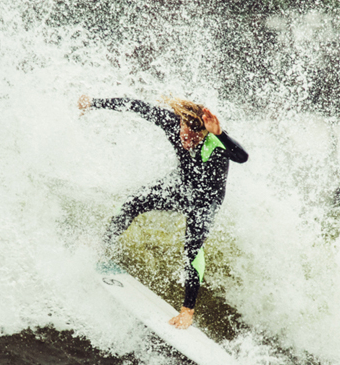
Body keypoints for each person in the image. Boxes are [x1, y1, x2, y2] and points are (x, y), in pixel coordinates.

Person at [78, 94, 248, 329]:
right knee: (133, 203)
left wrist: (220, 133)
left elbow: (242, 157)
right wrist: (94, 103)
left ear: (203, 133)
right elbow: (137, 106)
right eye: (185, 135)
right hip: (181, 187)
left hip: (206, 200)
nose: (187, 141)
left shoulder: (215, 142)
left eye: (194, 138)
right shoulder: (172, 122)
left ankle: (187, 311)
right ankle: (102, 245)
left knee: (193, 246)